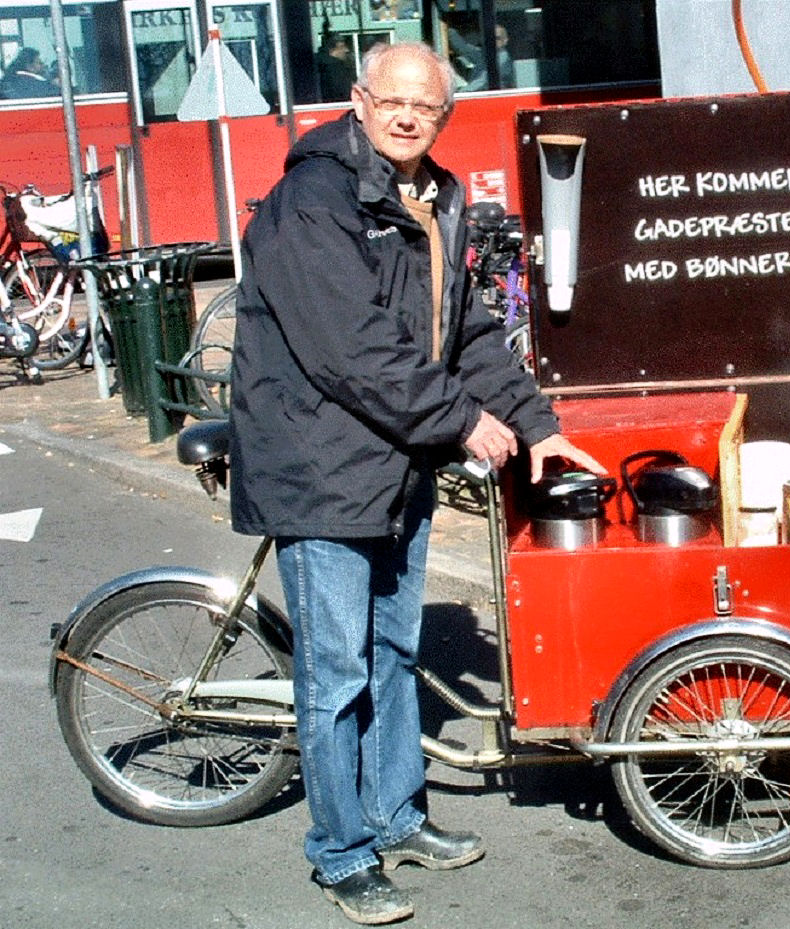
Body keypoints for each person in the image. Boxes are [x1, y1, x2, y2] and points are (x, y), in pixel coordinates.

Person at [229, 40, 604, 926]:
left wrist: (538, 424)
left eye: (425, 108)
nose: (406, 117)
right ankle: (341, 850)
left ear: (445, 118)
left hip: (393, 466)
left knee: (396, 654)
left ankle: (397, 814)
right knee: (336, 674)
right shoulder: (312, 203)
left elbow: (464, 330)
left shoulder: (435, 198)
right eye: (391, 100)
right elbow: (352, 351)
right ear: (358, 101)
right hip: (321, 467)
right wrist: (460, 422)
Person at [315, 32, 356, 102]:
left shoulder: (316, 67)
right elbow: (345, 92)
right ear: (331, 50)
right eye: (342, 46)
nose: (346, 50)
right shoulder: (337, 69)